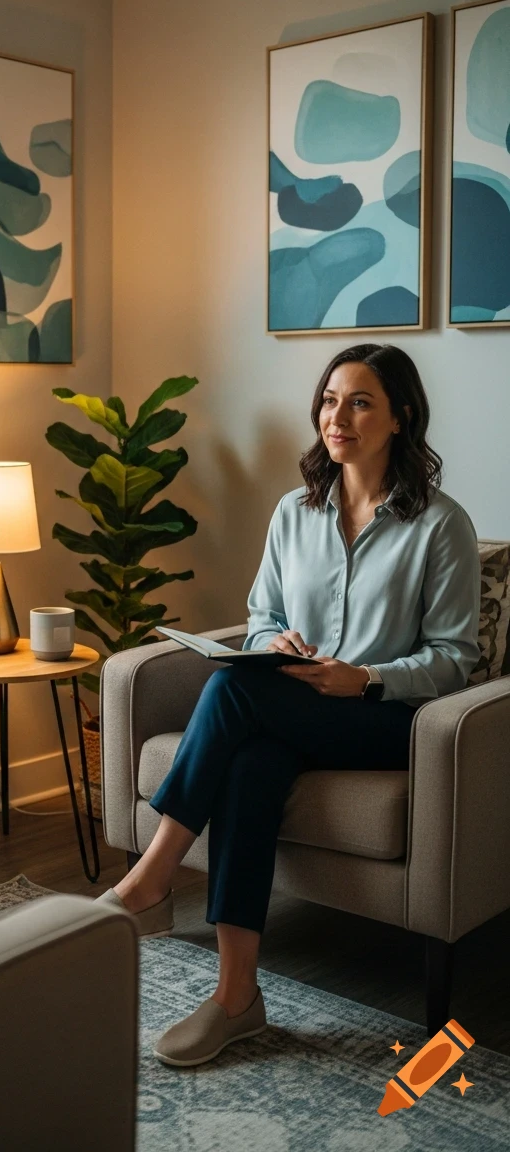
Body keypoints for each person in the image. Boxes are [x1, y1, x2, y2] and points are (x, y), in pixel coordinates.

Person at [99, 343, 480, 1067]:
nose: (338, 416)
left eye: (361, 401)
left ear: (400, 417)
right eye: (331, 399)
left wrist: (362, 677)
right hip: (296, 707)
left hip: (387, 719)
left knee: (237, 688)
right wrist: (281, 641)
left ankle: (150, 878)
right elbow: (260, 616)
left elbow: (454, 658)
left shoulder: (440, 525)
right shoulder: (293, 512)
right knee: (252, 764)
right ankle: (237, 997)